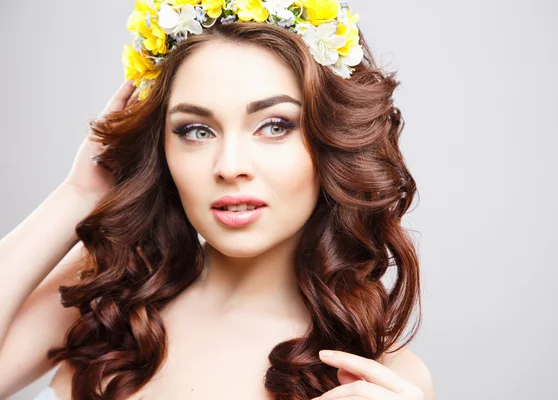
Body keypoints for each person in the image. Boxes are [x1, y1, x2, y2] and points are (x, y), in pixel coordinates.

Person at [0, 1, 435, 399]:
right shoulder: (106, 299)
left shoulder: (375, 378)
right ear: (163, 150)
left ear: (332, 141)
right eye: (196, 131)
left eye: (275, 125)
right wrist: (78, 195)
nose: (229, 166)